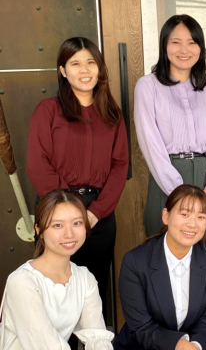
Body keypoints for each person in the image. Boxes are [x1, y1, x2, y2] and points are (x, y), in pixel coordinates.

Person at [26, 37, 129, 330]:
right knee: (55, 292)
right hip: (56, 210)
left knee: (92, 292)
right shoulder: (48, 110)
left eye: (90, 62)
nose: (84, 70)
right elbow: (37, 163)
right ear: (63, 70)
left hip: (99, 215)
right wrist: (71, 213)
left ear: (99, 68)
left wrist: (95, 212)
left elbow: (120, 165)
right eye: (75, 63)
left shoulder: (112, 113)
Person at [134, 14, 206, 245]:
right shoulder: (148, 86)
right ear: (164, 45)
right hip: (166, 178)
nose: (184, 50)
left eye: (192, 42)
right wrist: (179, 192)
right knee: (165, 253)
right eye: (176, 42)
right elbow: (151, 144)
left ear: (200, 48)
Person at [114, 184, 206, 350]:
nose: (192, 224)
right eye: (185, 214)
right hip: (147, 344)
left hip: (197, 341)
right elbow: (141, 327)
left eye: (201, 217)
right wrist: (180, 345)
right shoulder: (135, 261)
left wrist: (195, 345)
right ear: (166, 216)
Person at [0, 189, 114, 349]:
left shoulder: (84, 278)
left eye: (77, 223)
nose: (69, 234)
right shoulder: (22, 281)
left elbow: (97, 337)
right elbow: (45, 345)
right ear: (39, 230)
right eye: (58, 225)